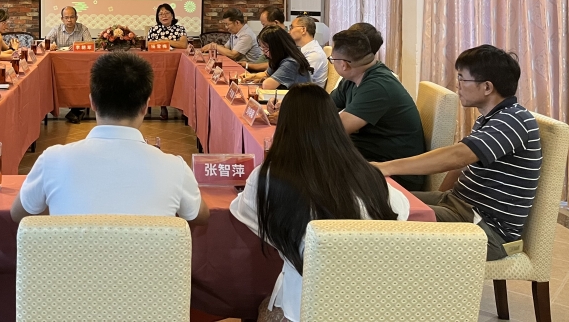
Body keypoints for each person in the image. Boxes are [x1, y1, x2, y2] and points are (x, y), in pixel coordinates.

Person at [230, 83, 410, 322]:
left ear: (283, 126)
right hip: (371, 304)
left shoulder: (268, 176)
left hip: (304, 306)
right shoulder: (369, 175)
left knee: (262, 308)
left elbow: (244, 211)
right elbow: (400, 212)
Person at [373, 46, 541, 261]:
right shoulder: (490, 117)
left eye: (462, 78)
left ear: (487, 87)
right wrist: (439, 201)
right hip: (459, 207)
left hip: (486, 231)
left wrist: (385, 167)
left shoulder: (514, 120)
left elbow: (458, 156)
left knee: (381, 214)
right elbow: (461, 165)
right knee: (374, 198)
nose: (458, 85)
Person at [11, 51, 209, 226]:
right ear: (145, 106)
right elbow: (199, 216)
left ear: (92, 103)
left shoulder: (52, 159)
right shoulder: (174, 167)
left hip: (73, 258)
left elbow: (19, 213)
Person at [329, 30, 426, 191]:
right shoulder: (353, 79)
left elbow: (334, 130)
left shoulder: (378, 86)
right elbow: (324, 106)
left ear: (344, 64)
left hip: (394, 172)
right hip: (367, 157)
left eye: (332, 60)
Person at [45, 6, 92, 123]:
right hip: (61, 66)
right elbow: (44, 44)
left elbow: (90, 44)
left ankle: (76, 109)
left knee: (82, 79)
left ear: (76, 18)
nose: (69, 20)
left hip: (79, 66)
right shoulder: (56, 29)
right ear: (62, 19)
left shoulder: (83, 29)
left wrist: (78, 46)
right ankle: (75, 111)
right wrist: (50, 46)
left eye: (72, 17)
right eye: (66, 18)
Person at [147, 3, 189, 120]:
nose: (164, 16)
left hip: (177, 63)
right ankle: (163, 106)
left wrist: (165, 41)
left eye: (166, 13)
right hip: (158, 63)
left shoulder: (179, 29)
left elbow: (183, 45)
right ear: (158, 17)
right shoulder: (154, 29)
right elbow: (149, 45)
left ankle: (180, 106)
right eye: (161, 14)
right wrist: (173, 42)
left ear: (172, 15)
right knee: (160, 80)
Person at [241, 27, 312, 90]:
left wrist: (265, 79)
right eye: (262, 48)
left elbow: (267, 85)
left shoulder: (291, 62)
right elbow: (266, 74)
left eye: (265, 48)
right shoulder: (280, 57)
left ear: (277, 47)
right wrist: (251, 76)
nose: (264, 52)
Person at [287, 15, 328, 88]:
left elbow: (299, 79)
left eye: (291, 28)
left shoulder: (314, 54)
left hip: (307, 93)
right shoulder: (301, 50)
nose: (288, 32)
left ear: (303, 30)